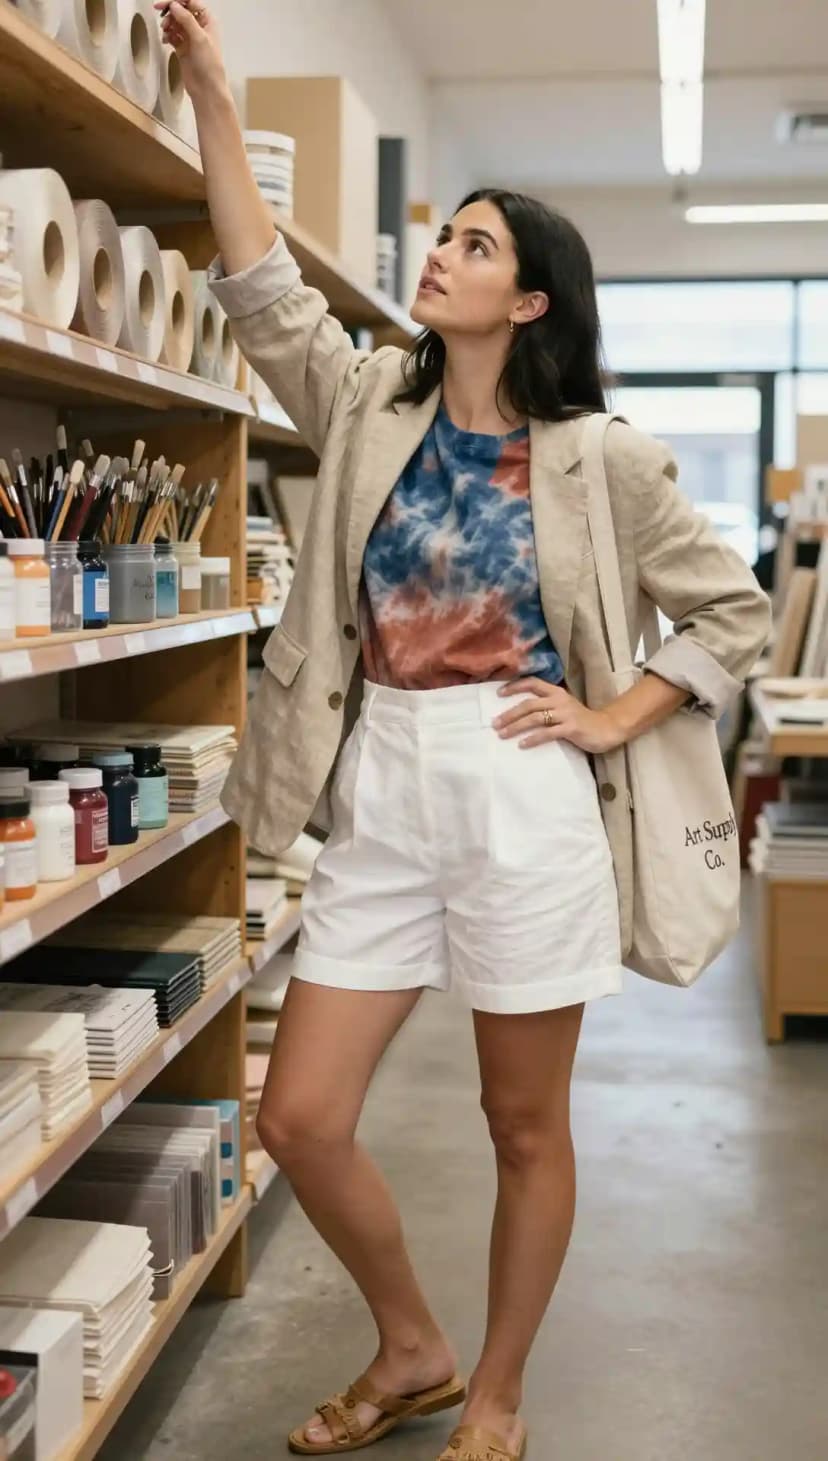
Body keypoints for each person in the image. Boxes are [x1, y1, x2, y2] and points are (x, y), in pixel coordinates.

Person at [158, 6, 771, 1458]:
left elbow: (732, 608)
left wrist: (614, 711)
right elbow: (256, 288)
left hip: (523, 794)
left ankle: (491, 1388)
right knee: (299, 1114)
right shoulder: (373, 398)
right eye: (451, 240)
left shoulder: (600, 457)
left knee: (521, 1126)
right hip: (383, 786)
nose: (444, 254)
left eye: (479, 246)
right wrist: (216, 106)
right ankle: (412, 1342)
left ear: (535, 303)